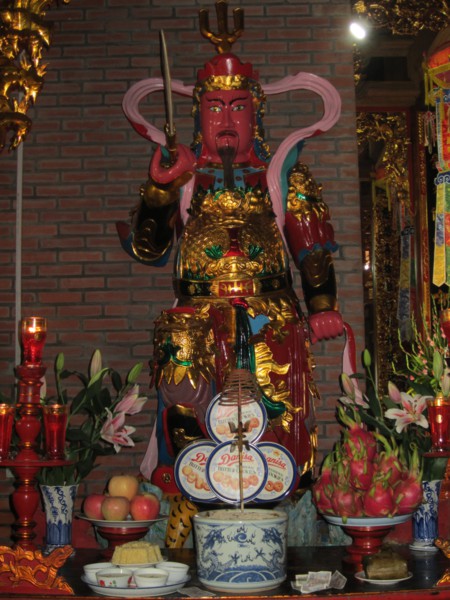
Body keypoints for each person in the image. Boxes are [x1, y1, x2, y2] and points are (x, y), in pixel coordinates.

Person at [117, 1, 344, 521]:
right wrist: (160, 189)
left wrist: (322, 306)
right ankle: (193, 512)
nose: (225, 119)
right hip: (195, 321)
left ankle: (281, 513)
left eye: (238, 107)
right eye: (214, 107)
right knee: (189, 417)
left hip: (270, 317)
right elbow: (151, 249)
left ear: (256, 115)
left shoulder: (283, 176)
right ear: (197, 116)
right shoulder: (181, 176)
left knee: (276, 422)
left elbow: (311, 247)